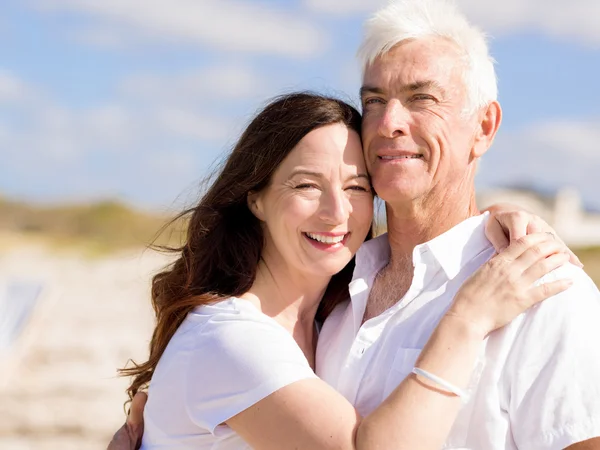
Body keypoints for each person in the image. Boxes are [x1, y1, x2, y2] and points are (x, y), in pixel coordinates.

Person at [108, 92, 574, 450]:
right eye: (307, 185)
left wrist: (492, 218)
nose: (336, 213)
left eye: (355, 187)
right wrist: (469, 318)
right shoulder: (230, 338)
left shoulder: (334, 318)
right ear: (256, 198)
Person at [316, 1, 600, 449]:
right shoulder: (330, 286)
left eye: (421, 98)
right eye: (373, 101)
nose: (388, 123)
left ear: (484, 127)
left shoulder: (545, 288)